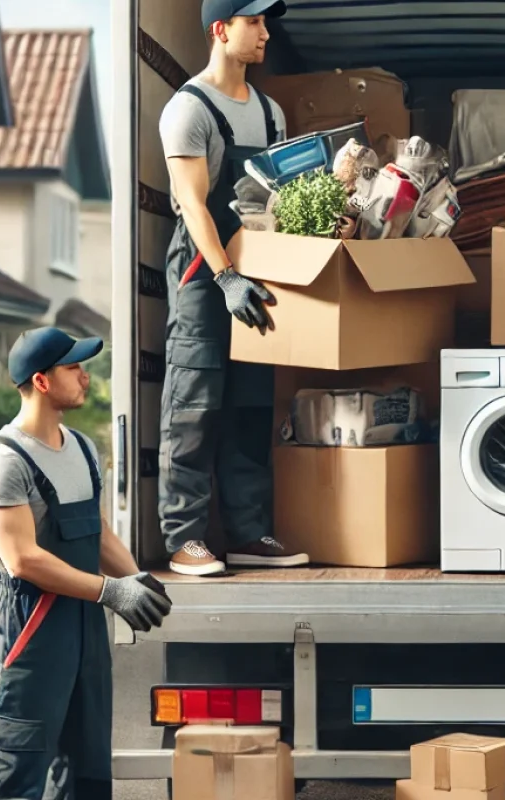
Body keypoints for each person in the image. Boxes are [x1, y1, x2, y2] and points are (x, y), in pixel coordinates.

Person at [0, 327, 173, 799]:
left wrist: (135, 577)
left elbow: (97, 531)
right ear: (42, 381)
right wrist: (111, 591)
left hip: (84, 625)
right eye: (74, 368)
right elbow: (22, 559)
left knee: (85, 772)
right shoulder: (4, 461)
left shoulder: (83, 448)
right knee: (15, 772)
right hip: (31, 627)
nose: (86, 377)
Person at [157, 0, 310, 576]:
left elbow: (277, 199)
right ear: (221, 31)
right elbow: (194, 205)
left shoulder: (271, 113)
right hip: (205, 275)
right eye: (255, 22)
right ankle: (183, 538)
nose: (266, 32)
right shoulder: (187, 109)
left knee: (249, 404)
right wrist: (224, 278)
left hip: (257, 271)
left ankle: (248, 534)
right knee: (194, 403)